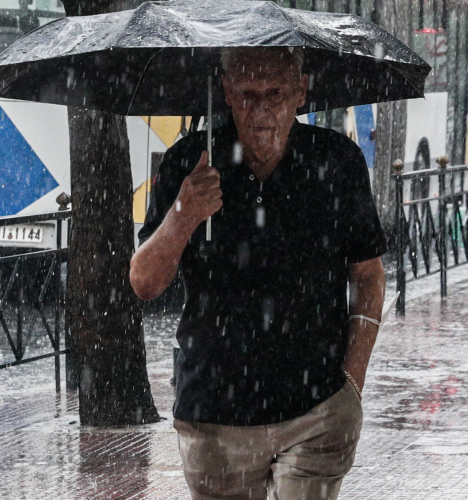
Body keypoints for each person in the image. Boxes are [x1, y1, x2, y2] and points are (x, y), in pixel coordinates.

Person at [130, 46, 387, 500]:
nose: (262, 109)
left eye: (276, 93)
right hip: (214, 411)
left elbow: (367, 273)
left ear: (300, 91)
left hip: (318, 407)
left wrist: (352, 380)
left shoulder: (337, 162)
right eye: (247, 94)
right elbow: (145, 282)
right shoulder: (191, 163)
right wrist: (183, 214)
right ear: (226, 92)